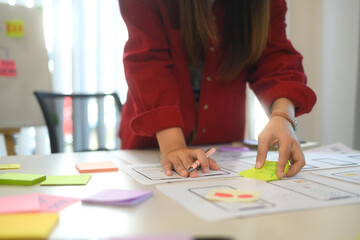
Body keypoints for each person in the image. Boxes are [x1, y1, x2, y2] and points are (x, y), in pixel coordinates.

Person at [118, 0, 317, 179]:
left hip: (220, 149)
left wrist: (283, 117)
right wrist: (173, 146)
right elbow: (148, 63)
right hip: (153, 146)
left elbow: (275, 58)